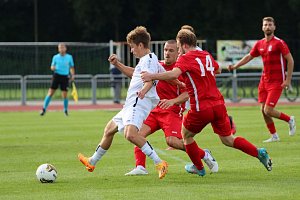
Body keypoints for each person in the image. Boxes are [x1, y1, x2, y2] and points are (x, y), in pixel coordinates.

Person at [141, 29, 272, 177]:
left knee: (186, 136)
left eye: (178, 47)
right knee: (228, 139)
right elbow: (218, 70)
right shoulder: (206, 55)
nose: (178, 51)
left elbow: (174, 74)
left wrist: (151, 75)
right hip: (218, 104)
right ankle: (258, 152)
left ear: (183, 45)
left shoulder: (186, 58)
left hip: (201, 107)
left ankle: (199, 167)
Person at [78, 26, 168, 179]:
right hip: (130, 105)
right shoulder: (147, 60)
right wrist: (117, 64)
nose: (132, 51)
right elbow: (150, 75)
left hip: (138, 103)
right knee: (109, 130)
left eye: (132, 47)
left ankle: (160, 163)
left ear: (140, 45)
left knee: (131, 135)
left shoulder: (148, 60)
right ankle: (92, 161)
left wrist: (144, 91)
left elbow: (151, 79)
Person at [125, 40, 218, 176]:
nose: (167, 53)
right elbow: (137, 74)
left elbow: (188, 92)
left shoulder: (181, 69)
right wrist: (118, 64)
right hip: (155, 110)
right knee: (136, 134)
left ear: (178, 52)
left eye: (171, 50)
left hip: (172, 111)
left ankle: (204, 154)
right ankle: (140, 167)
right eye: (165, 50)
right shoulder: (158, 65)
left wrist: (173, 101)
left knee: (172, 141)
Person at [228, 17, 296, 142]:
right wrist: (235, 66)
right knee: (263, 111)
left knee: (268, 110)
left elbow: (290, 60)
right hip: (264, 81)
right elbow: (249, 56)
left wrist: (288, 79)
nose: (267, 27)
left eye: (270, 25)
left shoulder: (279, 43)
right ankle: (274, 135)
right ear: (262, 27)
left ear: (274, 27)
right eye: (265, 25)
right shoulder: (260, 44)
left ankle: (289, 119)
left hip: (277, 81)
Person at [40, 43, 75, 116]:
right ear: (58, 49)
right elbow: (52, 66)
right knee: (50, 92)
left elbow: (71, 67)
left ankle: (65, 110)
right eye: (60, 48)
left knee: (65, 95)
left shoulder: (69, 57)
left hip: (65, 77)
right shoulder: (55, 57)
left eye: (63, 47)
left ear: (65, 48)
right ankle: (44, 108)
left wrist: (73, 75)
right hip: (57, 76)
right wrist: (53, 68)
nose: (61, 49)